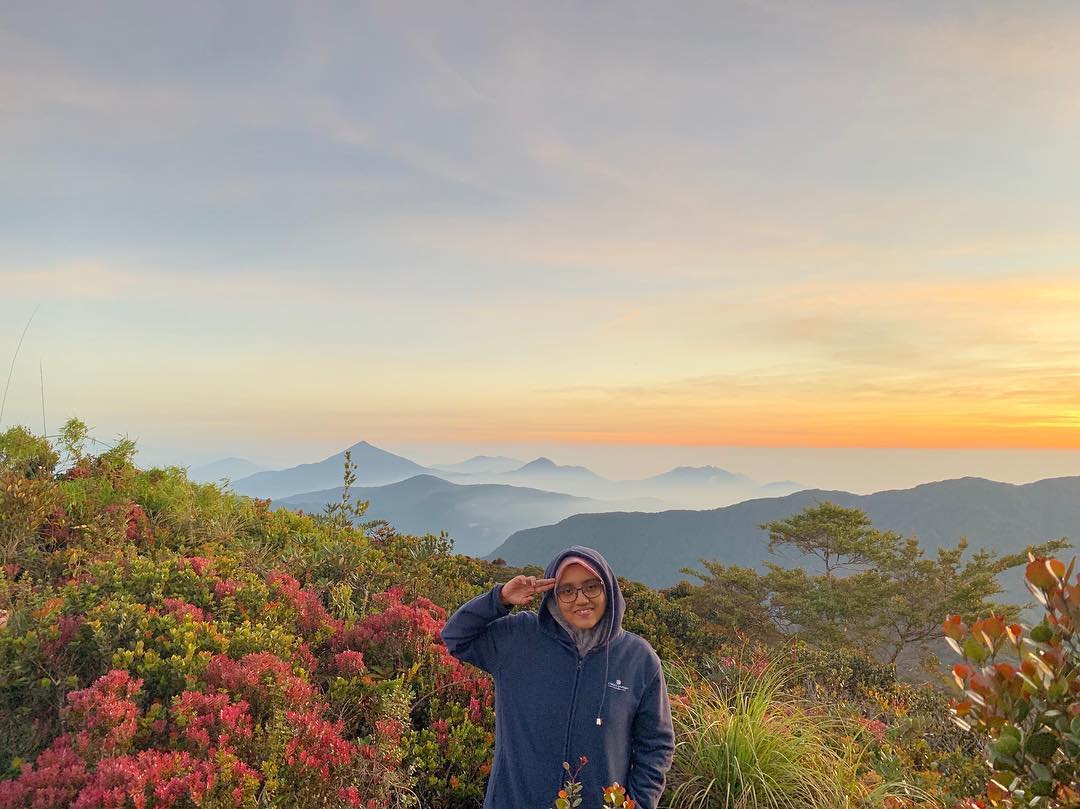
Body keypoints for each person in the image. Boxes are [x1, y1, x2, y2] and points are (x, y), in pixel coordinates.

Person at [440, 545, 674, 809]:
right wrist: (500, 598)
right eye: (567, 590)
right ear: (553, 595)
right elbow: (455, 637)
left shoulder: (638, 659)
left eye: (591, 586)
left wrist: (638, 804)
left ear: (608, 588)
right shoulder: (518, 638)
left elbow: (656, 744)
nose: (581, 598)